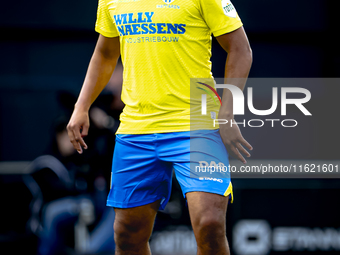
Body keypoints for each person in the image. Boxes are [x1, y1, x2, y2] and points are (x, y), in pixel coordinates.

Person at [67, 0, 253, 254]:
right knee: (127, 235)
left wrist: (227, 114)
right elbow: (106, 53)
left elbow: (240, 49)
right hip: (136, 131)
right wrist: (82, 106)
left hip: (198, 125)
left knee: (209, 224)